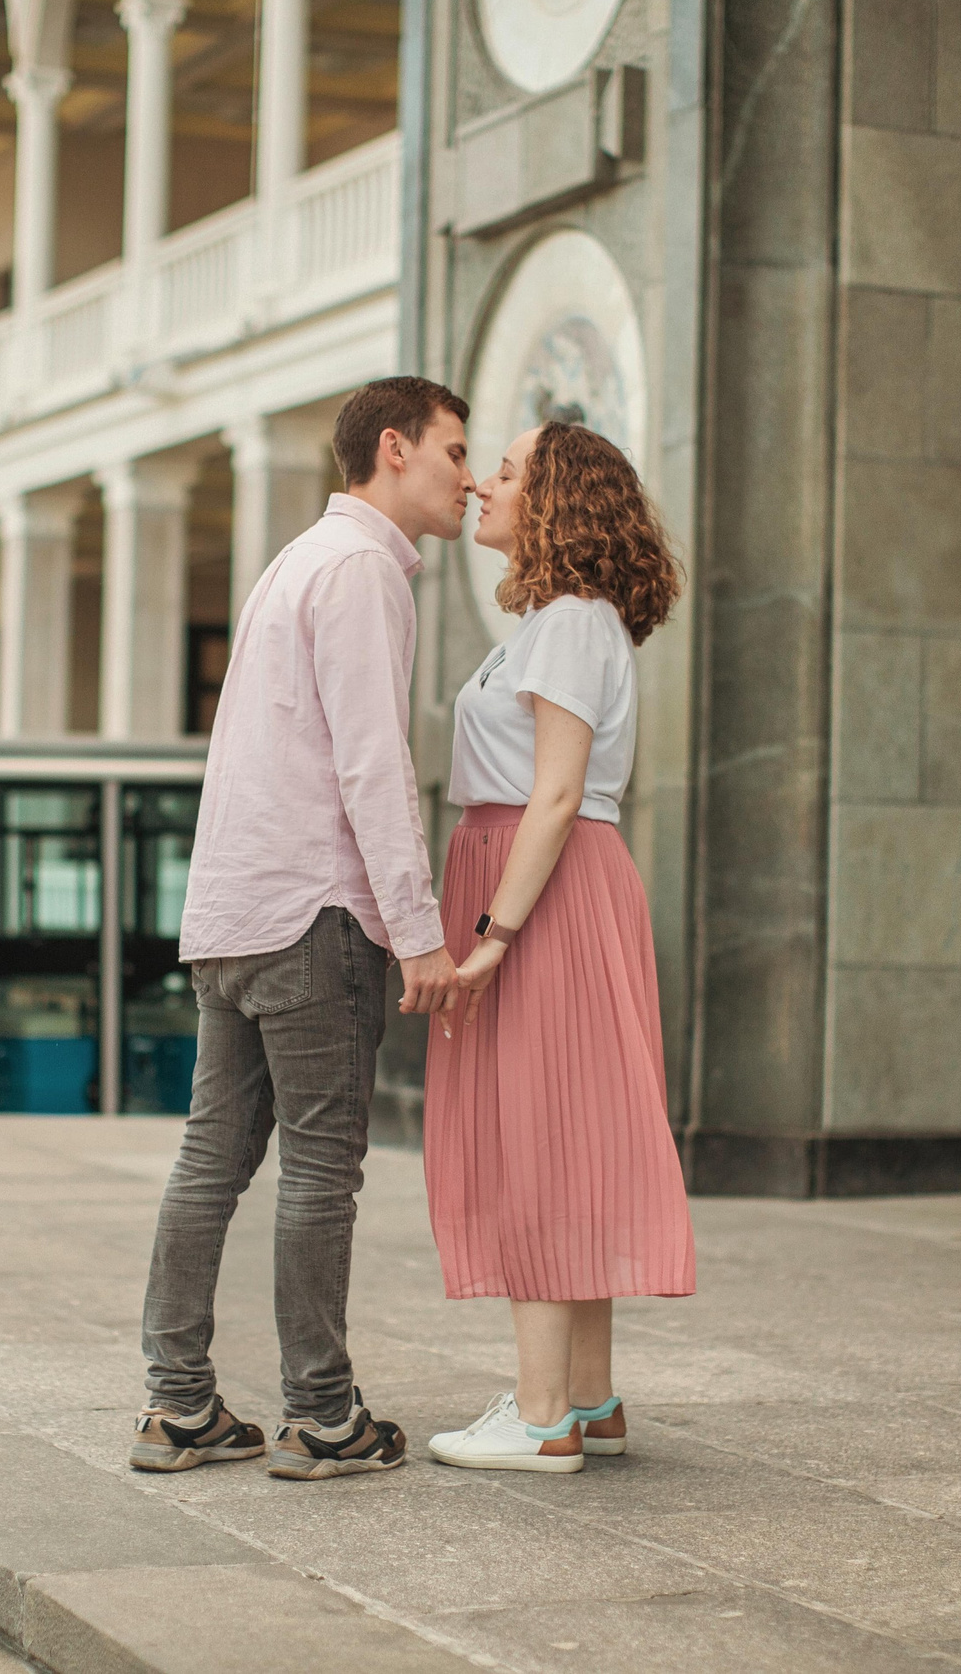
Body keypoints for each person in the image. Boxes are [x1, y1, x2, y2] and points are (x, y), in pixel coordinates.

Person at [131, 377, 473, 1481]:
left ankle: (179, 1407)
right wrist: (417, 933)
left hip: (231, 911)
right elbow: (374, 765)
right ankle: (324, 1416)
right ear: (393, 448)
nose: (467, 477)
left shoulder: (293, 562)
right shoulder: (365, 569)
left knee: (212, 1159)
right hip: (313, 915)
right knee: (322, 1168)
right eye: (454, 451)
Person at [422, 422, 695, 1474]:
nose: (483, 483)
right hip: (542, 880)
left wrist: (493, 935)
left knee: (538, 1135)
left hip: (541, 885)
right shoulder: (555, 623)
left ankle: (541, 1420)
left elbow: (557, 791)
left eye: (506, 468)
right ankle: (582, 1398)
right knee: (561, 1131)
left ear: (557, 502)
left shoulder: (573, 621)